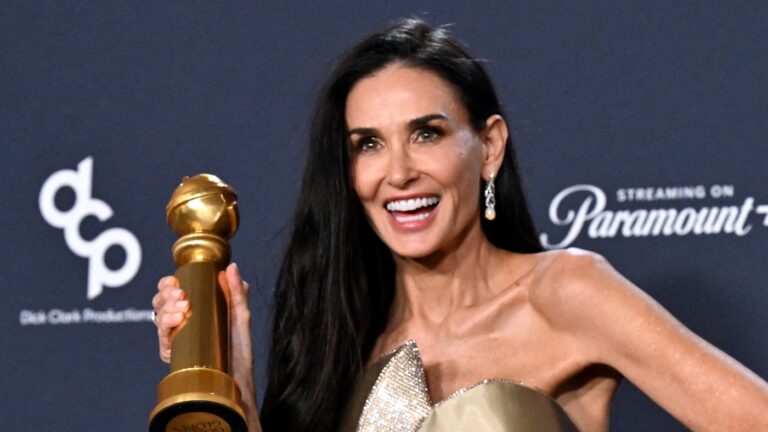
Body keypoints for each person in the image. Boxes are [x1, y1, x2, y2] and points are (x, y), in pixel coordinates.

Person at [152, 18, 768, 431]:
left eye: (427, 134)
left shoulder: (563, 293)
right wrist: (234, 384)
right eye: (368, 144)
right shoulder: (344, 343)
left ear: (489, 147)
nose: (398, 173)